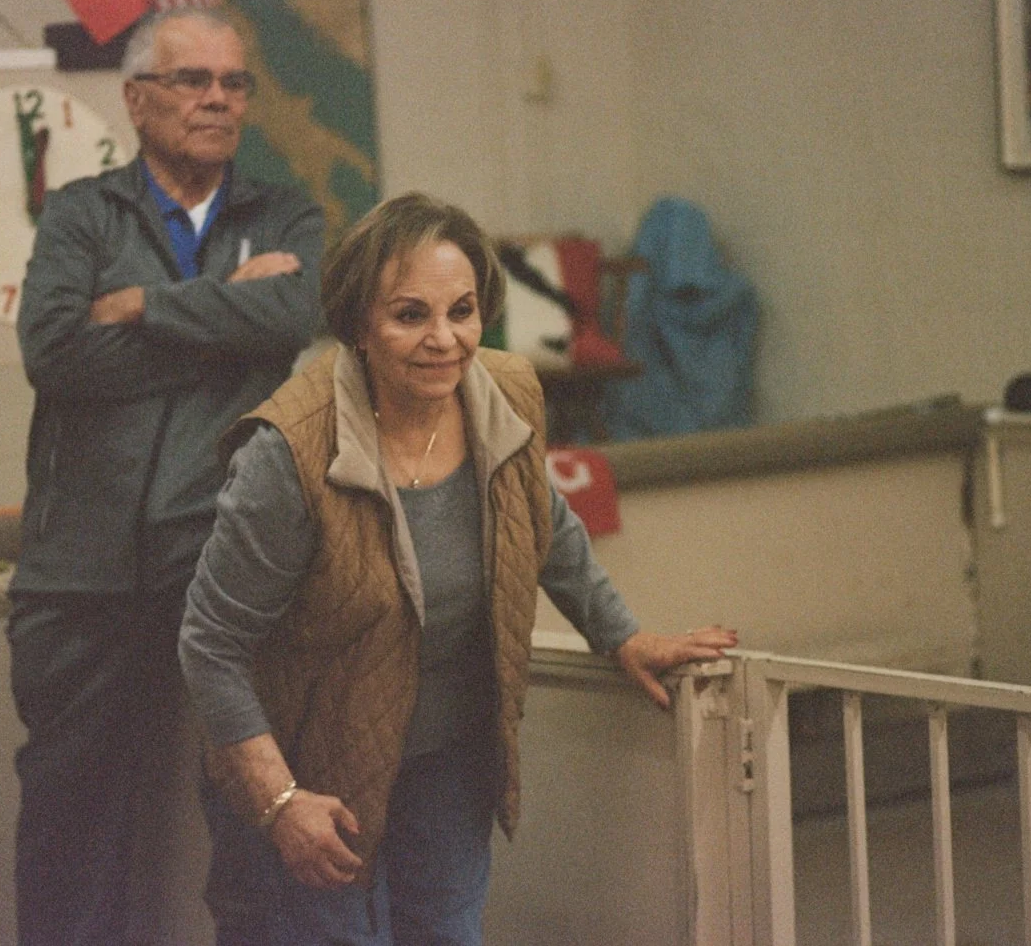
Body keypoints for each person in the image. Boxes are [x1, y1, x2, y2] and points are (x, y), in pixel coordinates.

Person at [178, 191, 737, 945]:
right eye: (410, 315)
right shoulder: (289, 453)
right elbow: (210, 644)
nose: (443, 340)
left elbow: (543, 522)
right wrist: (280, 802)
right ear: (359, 326)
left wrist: (622, 635)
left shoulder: (502, 393)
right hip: (306, 768)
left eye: (462, 311)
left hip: (444, 760)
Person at [6, 6, 324, 946]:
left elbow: (292, 318)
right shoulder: (82, 213)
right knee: (70, 822)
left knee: (254, 807)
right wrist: (226, 313)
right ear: (138, 99)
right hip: (80, 572)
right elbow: (57, 355)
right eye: (193, 80)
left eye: (234, 83)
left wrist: (142, 305)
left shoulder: (284, 213)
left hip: (227, 559)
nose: (218, 100)